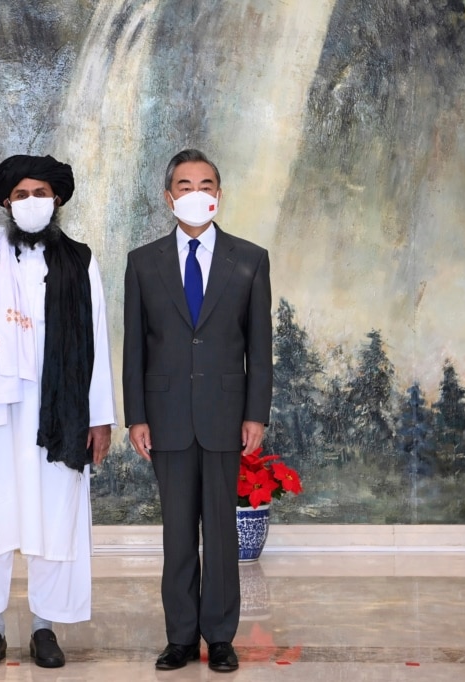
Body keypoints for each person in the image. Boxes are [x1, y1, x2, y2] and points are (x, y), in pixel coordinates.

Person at [0, 154, 116, 670]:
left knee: (54, 515)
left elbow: (96, 341)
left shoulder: (79, 260)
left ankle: (44, 628)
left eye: (40, 193)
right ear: (7, 203)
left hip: (59, 411)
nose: (31, 201)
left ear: (56, 199)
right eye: (20, 194)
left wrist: (99, 416)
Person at [122, 149, 272, 673]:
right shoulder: (142, 262)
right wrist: (136, 416)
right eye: (184, 186)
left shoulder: (250, 259)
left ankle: (221, 637)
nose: (196, 193)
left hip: (226, 416)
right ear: (169, 198)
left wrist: (256, 413)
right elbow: (135, 346)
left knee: (222, 535)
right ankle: (181, 637)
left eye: (206, 184)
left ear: (220, 194)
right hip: (165, 418)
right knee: (178, 533)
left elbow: (259, 344)